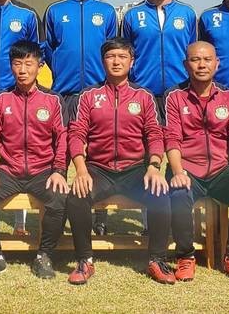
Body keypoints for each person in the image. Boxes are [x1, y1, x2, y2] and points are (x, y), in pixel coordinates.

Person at [65, 38, 173, 285]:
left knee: (160, 195)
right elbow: (76, 134)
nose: (116, 61)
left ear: (132, 62)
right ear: (102, 61)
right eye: (111, 56)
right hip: (98, 170)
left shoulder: (144, 96)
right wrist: (81, 170)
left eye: (122, 57)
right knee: (77, 197)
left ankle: (157, 259)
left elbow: (155, 134)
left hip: (135, 170)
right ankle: (84, 260)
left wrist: (154, 166)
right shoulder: (88, 96)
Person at [163, 41, 229, 282]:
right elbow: (172, 138)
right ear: (186, 65)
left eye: (207, 60)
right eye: (195, 60)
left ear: (217, 64)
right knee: (179, 194)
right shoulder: (174, 96)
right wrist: (178, 172)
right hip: (187, 169)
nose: (202, 65)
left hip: (220, 170)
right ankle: (186, 256)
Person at [0, 40, 69, 280]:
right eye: (17, 64)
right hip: (8, 171)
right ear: (11, 66)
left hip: (43, 170)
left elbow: (63, 137)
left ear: (40, 66)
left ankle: (44, 256)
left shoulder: (53, 100)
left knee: (60, 200)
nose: (23, 70)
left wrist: (58, 170)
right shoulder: (0, 100)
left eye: (28, 64)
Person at [42, 0, 118, 236]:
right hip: (64, 93)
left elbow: (113, 50)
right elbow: (48, 49)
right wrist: (63, 71)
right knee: (60, 151)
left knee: (98, 152)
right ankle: (58, 213)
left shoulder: (107, 11)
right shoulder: (55, 11)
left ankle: (100, 216)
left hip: (98, 94)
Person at [120, 0, 198, 102]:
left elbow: (194, 50)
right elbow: (124, 53)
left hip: (182, 90)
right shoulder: (132, 15)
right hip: (142, 90)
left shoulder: (187, 13)